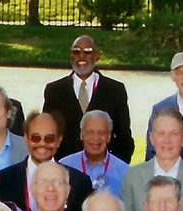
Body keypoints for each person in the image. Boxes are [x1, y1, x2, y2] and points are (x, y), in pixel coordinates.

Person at [42, 35, 134, 163]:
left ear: (97, 55)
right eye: (76, 51)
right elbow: (47, 132)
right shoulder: (54, 90)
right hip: (65, 168)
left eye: (88, 52)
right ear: (71, 55)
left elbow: (124, 137)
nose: (81, 56)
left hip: (104, 171)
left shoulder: (115, 90)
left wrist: (115, 167)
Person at [0, 110, 94, 211]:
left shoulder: (80, 183)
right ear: (26, 139)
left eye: (49, 138)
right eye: (36, 138)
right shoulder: (3, 181)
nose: (42, 143)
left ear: (59, 140)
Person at [57, 110, 130, 199]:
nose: (95, 138)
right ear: (81, 134)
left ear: (109, 137)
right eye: (90, 132)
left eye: (101, 133)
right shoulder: (64, 166)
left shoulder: (124, 172)